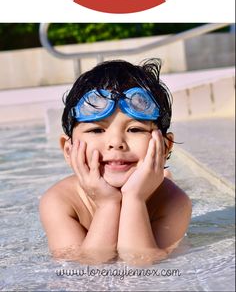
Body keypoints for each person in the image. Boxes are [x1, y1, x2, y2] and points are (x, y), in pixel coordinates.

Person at [39, 59, 192, 264]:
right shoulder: (60, 201)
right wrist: (108, 205)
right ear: (69, 150)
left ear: (165, 146)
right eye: (96, 130)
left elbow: (140, 265)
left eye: (135, 129)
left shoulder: (173, 202)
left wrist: (134, 198)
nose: (116, 143)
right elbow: (83, 272)